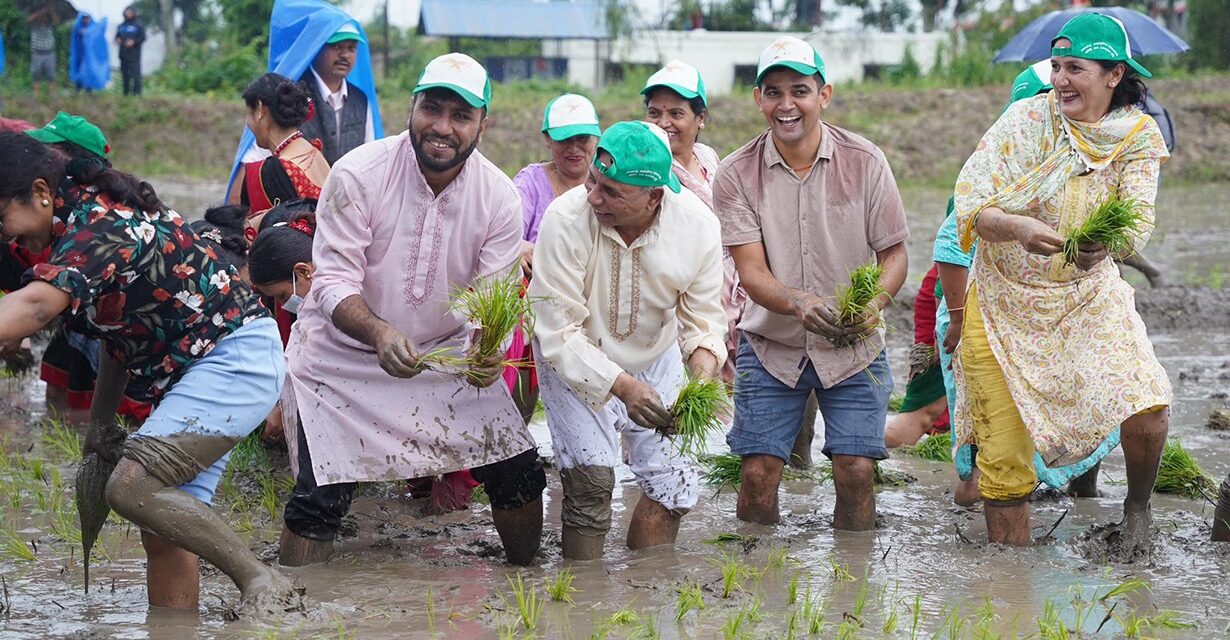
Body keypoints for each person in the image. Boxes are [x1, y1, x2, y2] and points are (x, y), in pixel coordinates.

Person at [0, 132, 297, 610]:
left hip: (233, 360)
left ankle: (259, 577)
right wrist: (100, 426)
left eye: (1, 219)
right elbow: (119, 339)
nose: (6, 236)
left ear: (39, 192)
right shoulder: (75, 227)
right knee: (163, 531)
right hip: (198, 372)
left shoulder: (99, 225)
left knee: (132, 487)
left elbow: (35, 307)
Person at [277, 53, 546, 567]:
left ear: (482, 125)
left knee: (518, 474)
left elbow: (489, 302)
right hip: (341, 359)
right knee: (319, 500)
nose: (442, 127)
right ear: (413, 106)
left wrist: (484, 350)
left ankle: (529, 593)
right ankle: (291, 609)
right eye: (432, 108)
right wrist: (378, 333)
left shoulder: (498, 198)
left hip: (445, 360)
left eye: (461, 116)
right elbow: (331, 282)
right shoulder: (359, 172)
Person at [950, 13, 1171, 551]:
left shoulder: (1137, 137)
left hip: (1085, 294)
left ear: (1113, 75)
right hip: (1003, 300)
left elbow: (1138, 217)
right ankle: (1011, 589)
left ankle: (1137, 511)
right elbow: (971, 201)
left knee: (1148, 401)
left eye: (1075, 68)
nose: (1061, 79)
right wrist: (1016, 227)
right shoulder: (1026, 120)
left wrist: (1109, 245)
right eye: (1057, 67)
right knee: (1003, 459)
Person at [714, 36, 909, 529]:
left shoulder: (865, 162)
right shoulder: (735, 174)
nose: (786, 104)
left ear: (824, 95)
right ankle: (758, 586)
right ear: (758, 99)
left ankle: (852, 587)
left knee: (856, 470)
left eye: (799, 90)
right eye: (773, 91)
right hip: (771, 344)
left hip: (854, 343)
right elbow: (752, 273)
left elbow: (894, 255)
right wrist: (797, 301)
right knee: (758, 474)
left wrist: (874, 305)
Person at [529, 121, 726, 560]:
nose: (594, 197)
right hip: (575, 355)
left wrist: (698, 379)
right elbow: (558, 331)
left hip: (655, 355)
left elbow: (705, 321)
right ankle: (582, 603)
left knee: (672, 485)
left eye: (612, 192)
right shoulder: (565, 218)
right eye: (594, 182)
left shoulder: (698, 228)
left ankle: (645, 594)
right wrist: (622, 386)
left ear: (655, 195)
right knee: (591, 483)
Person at [509, 93, 601, 422]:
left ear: (596, 139)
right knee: (523, 342)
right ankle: (516, 433)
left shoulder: (607, 185)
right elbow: (503, 228)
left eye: (582, 139)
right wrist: (519, 245)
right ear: (548, 140)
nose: (575, 149)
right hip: (537, 300)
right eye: (564, 140)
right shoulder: (532, 182)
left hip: (591, 299)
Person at [228, 73, 330, 235]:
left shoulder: (268, 172)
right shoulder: (314, 151)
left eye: (248, 113)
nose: (248, 123)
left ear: (260, 109)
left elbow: (259, 239)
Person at [882, 263, 950, 448]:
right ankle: (856, 453)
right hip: (951, 295)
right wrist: (945, 328)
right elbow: (954, 249)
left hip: (1003, 297)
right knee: (927, 408)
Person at [295, 23, 374, 165]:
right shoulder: (294, 95)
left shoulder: (360, 100)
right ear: (317, 47)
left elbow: (369, 156)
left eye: (351, 48)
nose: (345, 55)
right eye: (337, 46)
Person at [115, 6, 145, 96]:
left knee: (136, 75)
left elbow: (143, 37)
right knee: (125, 74)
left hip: (134, 55)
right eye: (127, 12)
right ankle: (126, 93)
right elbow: (117, 36)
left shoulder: (138, 25)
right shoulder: (121, 26)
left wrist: (134, 42)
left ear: (133, 13)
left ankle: (137, 94)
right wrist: (117, 39)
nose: (128, 14)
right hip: (123, 54)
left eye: (130, 12)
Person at [28, 7, 58, 98]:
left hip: (49, 52)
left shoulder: (50, 25)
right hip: (37, 53)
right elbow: (28, 20)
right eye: (42, 17)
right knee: (36, 73)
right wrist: (40, 12)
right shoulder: (34, 25)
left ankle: (53, 94)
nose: (43, 18)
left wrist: (50, 10)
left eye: (45, 17)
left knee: (51, 74)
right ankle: (36, 94)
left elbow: (57, 21)